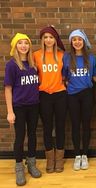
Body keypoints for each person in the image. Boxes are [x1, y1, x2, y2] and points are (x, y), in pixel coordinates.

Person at [4, 33, 42, 186]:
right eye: (20, 43)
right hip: (19, 107)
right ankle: (19, 167)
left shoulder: (33, 64)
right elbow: (8, 89)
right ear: (15, 46)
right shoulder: (12, 65)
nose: (23, 46)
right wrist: (10, 111)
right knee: (20, 137)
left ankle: (31, 163)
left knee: (32, 135)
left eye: (26, 43)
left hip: (34, 105)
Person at [33, 26, 67, 173]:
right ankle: (50, 159)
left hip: (60, 94)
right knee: (47, 128)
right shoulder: (35, 55)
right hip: (44, 95)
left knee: (60, 127)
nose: (48, 40)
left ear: (55, 39)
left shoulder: (62, 55)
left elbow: (66, 74)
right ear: (42, 39)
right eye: (45, 37)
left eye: (51, 37)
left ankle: (59, 159)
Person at [62, 29, 96, 171]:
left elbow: (95, 77)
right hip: (72, 96)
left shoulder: (91, 58)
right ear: (71, 42)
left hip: (87, 94)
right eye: (74, 39)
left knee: (86, 124)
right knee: (75, 125)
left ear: (84, 41)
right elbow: (64, 77)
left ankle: (84, 155)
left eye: (79, 39)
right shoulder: (66, 57)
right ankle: (77, 155)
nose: (77, 42)